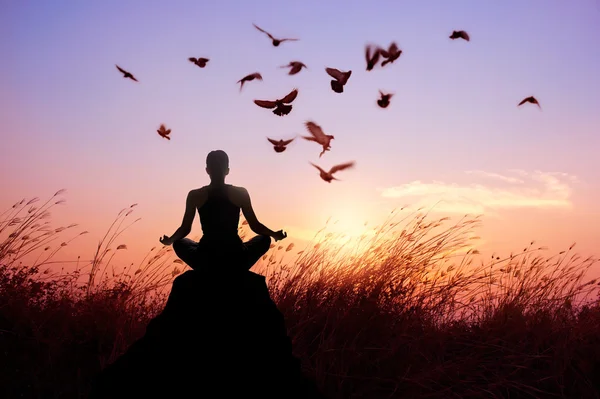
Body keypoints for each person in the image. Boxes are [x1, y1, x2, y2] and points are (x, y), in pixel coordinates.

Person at [159, 150, 287, 272]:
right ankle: (235, 268)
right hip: (236, 254)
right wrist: (273, 234)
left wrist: (170, 240)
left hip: (206, 255)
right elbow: (255, 225)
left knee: (179, 243)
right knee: (265, 239)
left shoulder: (195, 195)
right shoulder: (240, 193)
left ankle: (207, 269)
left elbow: (185, 228)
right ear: (227, 170)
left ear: (207, 170)